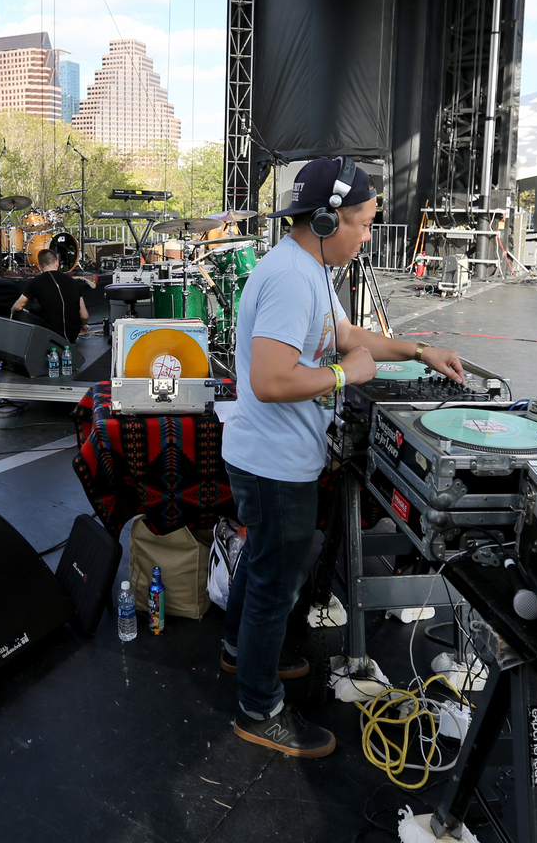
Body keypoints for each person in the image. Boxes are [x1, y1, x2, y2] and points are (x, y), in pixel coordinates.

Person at [220, 157, 464, 759]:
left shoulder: (310, 268)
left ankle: (239, 651)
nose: (368, 235)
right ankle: (258, 706)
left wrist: (418, 349)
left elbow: (348, 335)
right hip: (275, 464)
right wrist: (340, 376)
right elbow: (273, 378)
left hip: (271, 457)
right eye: (364, 223)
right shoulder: (291, 280)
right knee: (278, 581)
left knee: (262, 562)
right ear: (328, 221)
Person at [10, 248, 89, 343]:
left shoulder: (35, 282)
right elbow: (84, 316)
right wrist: (82, 325)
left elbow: (18, 306)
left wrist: (12, 311)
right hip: (72, 335)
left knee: (17, 313)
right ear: (57, 263)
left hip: (51, 335)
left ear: (39, 267)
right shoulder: (73, 281)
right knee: (38, 310)